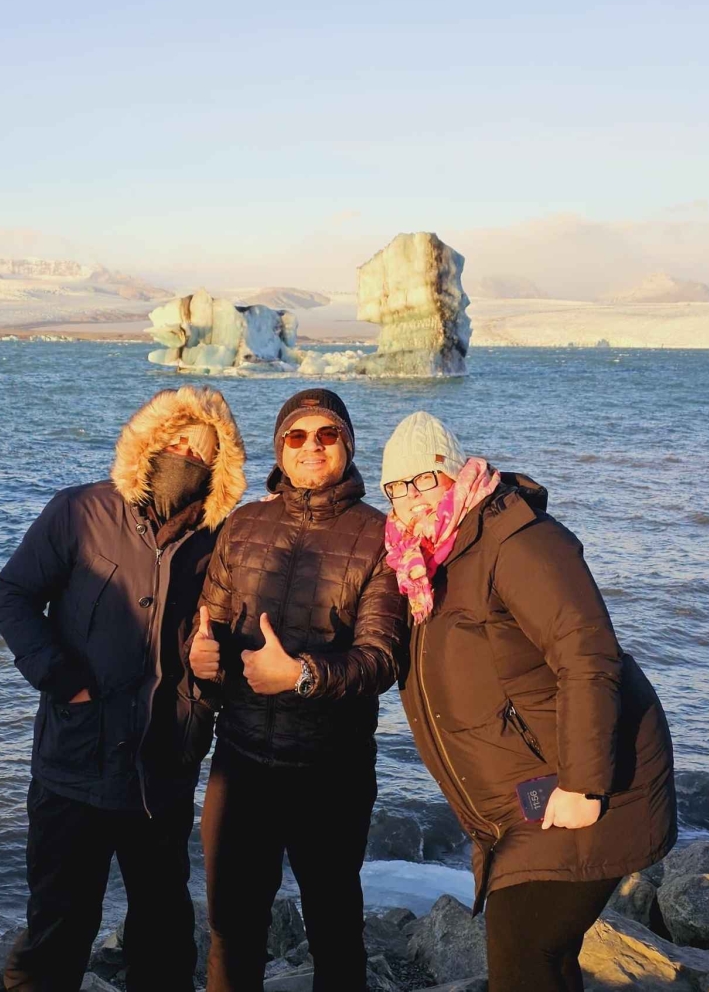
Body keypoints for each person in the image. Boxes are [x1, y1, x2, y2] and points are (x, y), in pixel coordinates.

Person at [379, 410, 677, 992]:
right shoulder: (423, 563)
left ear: (457, 472)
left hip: (586, 786)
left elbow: (587, 654)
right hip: (524, 801)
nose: (412, 498)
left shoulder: (515, 541)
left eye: (425, 479)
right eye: (396, 487)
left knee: (523, 952)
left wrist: (584, 786)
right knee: (544, 958)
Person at [0, 385, 247, 992]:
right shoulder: (80, 511)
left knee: (164, 937)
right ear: (149, 443)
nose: (186, 456)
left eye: (202, 451)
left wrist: (211, 673)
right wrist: (60, 678)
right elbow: (14, 596)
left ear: (219, 468)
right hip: (72, 766)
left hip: (161, 771)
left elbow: (232, 636)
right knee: (57, 929)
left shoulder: (219, 541)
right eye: (177, 442)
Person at [189, 387, 404, 992]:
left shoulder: (379, 537)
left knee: (335, 927)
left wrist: (301, 675)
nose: (312, 446)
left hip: (332, 772)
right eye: (297, 436)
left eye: (327, 434)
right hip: (242, 763)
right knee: (232, 929)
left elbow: (381, 658)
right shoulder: (243, 525)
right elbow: (213, 627)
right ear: (280, 448)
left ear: (348, 445)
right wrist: (203, 659)